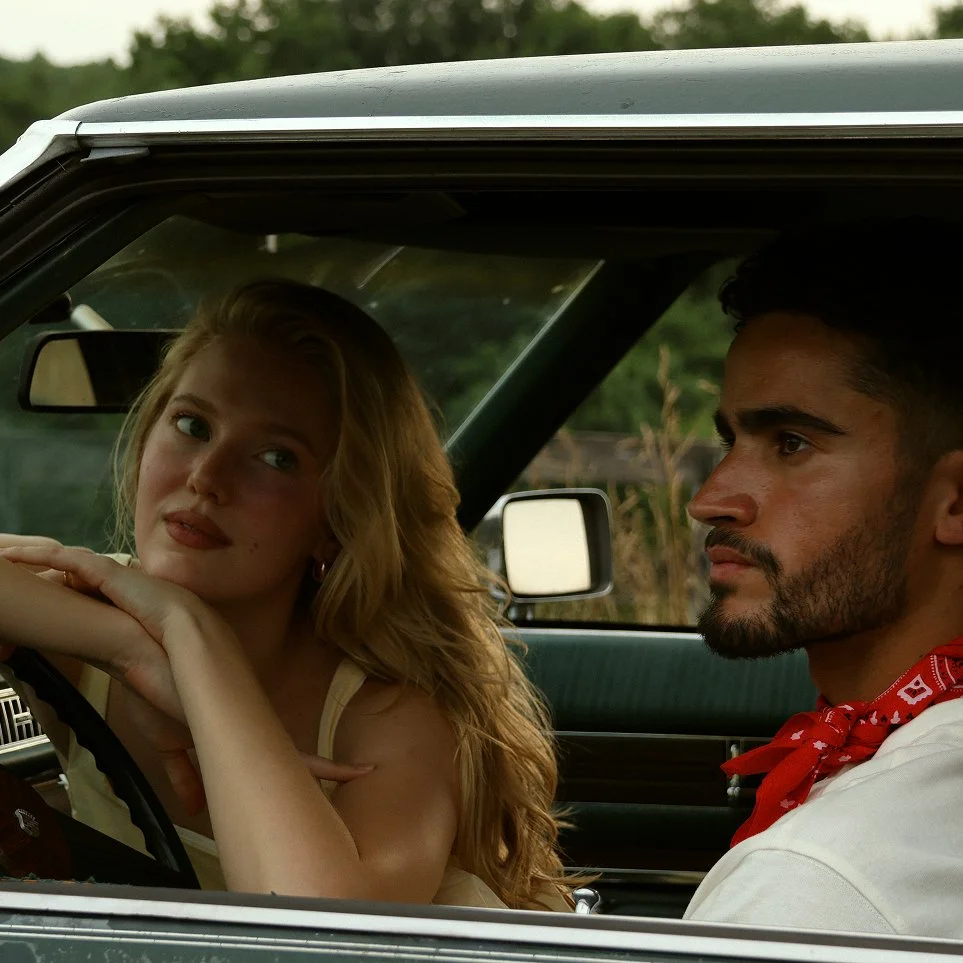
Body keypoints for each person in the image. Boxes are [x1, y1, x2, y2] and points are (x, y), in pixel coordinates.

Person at [0, 279, 571, 910]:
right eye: (192, 424)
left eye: (277, 458)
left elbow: (326, 938)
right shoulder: (90, 613)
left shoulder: (391, 716)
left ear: (336, 517)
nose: (206, 478)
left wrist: (191, 633)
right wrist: (126, 644)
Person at [682, 218, 963, 938]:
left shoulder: (816, 883)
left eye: (790, 443)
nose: (710, 499)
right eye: (729, 440)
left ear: (956, 501)